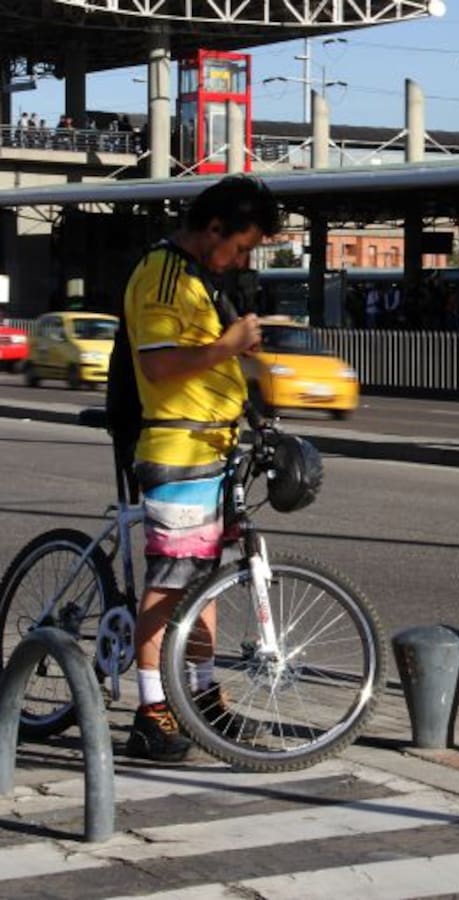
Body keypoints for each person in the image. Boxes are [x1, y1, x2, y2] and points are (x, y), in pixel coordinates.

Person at [121, 175, 281, 761]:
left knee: (202, 581)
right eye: (241, 246)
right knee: (169, 585)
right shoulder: (163, 275)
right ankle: (151, 711)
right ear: (214, 228)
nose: (242, 259)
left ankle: (201, 696)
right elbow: (160, 365)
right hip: (179, 450)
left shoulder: (199, 282)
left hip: (212, 449)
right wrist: (229, 344)